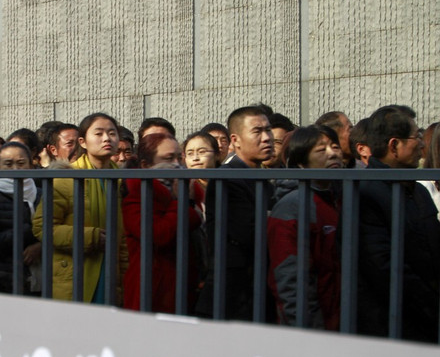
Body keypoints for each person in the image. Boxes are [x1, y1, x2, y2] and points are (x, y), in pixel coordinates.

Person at [356, 105, 440, 343]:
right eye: (417, 137)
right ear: (394, 145)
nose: (423, 145)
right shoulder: (366, 193)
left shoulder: (418, 190)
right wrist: (430, 301)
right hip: (390, 324)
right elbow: (383, 266)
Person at [32, 112, 128, 303]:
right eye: (98, 133)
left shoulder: (124, 180)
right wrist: (90, 237)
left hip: (113, 268)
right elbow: (42, 227)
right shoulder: (67, 178)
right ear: (83, 142)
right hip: (75, 274)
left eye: (112, 133)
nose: (107, 138)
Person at [195, 105, 275, 320]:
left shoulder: (264, 177)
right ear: (236, 140)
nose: (267, 138)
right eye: (257, 131)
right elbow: (250, 232)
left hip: (257, 291)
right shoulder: (227, 179)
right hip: (233, 296)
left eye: (268, 130)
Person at [267, 125, 342, 330]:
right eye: (321, 150)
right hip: (314, 325)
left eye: (335, 147)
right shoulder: (292, 207)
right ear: (301, 163)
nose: (332, 154)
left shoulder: (341, 197)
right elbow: (290, 279)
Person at [122, 134, 201, 313]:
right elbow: (159, 235)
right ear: (146, 166)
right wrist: (181, 202)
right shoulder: (136, 195)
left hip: (183, 286)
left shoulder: (190, 188)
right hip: (152, 290)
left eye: (178, 157)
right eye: (168, 158)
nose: (176, 164)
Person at [0, 141, 41, 294]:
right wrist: (30, 230)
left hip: (42, 274)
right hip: (4, 276)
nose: (15, 168)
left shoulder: (42, 193)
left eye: (21, 163)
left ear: (30, 165)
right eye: (8, 163)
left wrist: (41, 246)